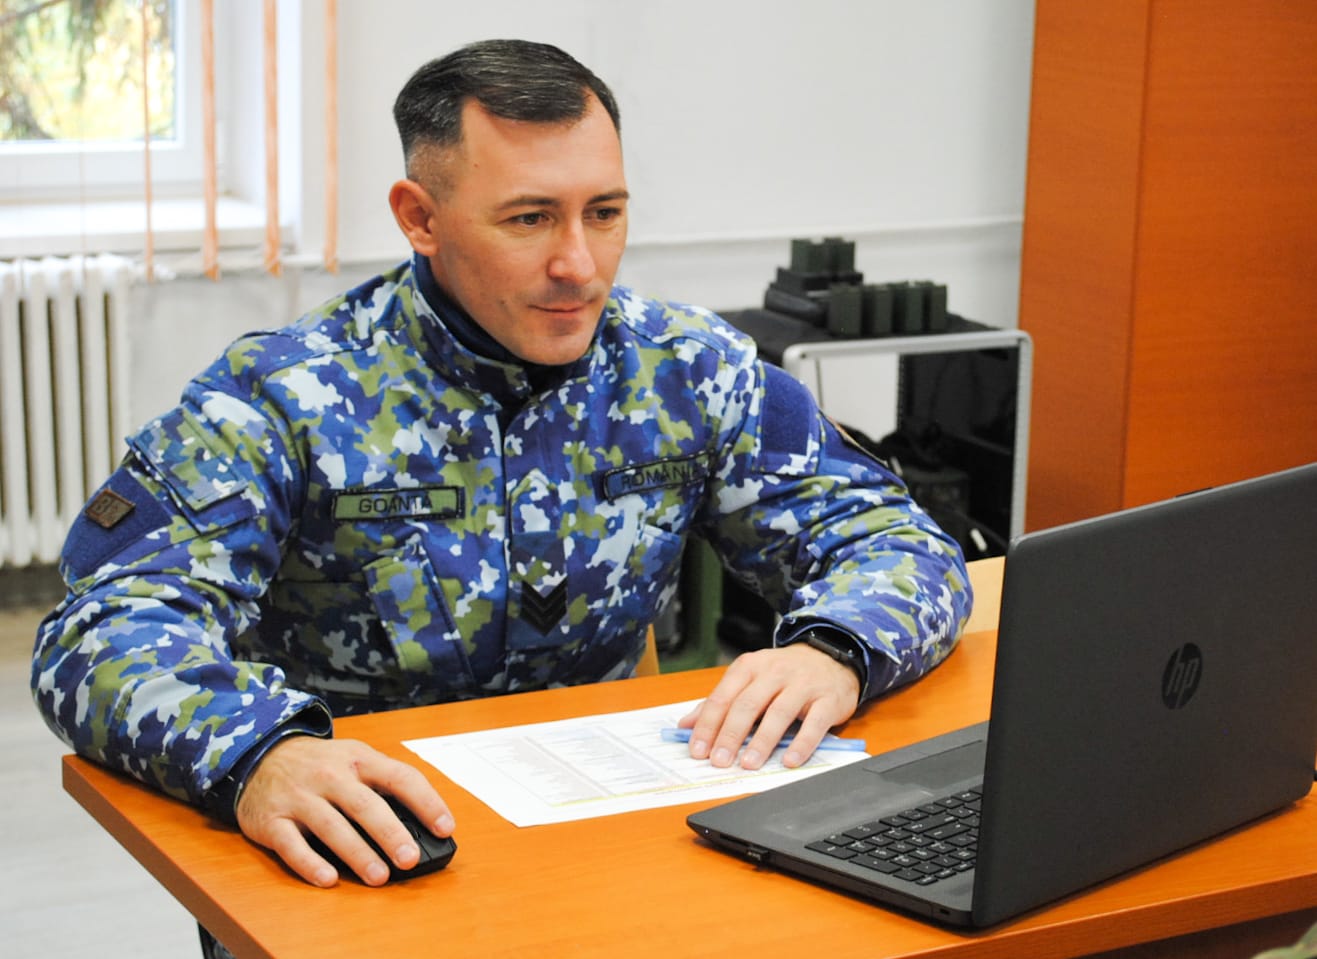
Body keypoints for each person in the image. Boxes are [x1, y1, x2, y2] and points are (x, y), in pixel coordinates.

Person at [31, 39, 971, 892]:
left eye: (604, 213)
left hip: (615, 835)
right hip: (367, 845)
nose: (580, 265)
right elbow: (100, 630)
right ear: (420, 218)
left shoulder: (687, 367)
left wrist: (834, 648)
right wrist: (258, 754)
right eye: (529, 219)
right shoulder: (283, 394)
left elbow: (894, 538)